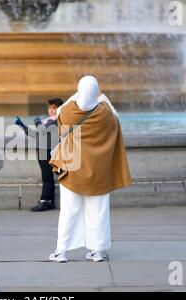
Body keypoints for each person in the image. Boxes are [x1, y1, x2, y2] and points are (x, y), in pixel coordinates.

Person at [48, 76, 132, 262]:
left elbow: (60, 110)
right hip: (99, 172)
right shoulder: (105, 114)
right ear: (96, 93)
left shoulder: (68, 112)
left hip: (72, 171)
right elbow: (116, 116)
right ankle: (98, 251)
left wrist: (77, 95)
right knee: (99, 211)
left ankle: (61, 251)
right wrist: (102, 97)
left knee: (68, 212)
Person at [15, 98, 63, 212]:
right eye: (50, 107)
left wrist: (37, 122)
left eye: (54, 108)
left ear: (59, 109)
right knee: (47, 178)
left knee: (48, 178)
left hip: (50, 151)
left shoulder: (58, 120)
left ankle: (44, 201)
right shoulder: (47, 120)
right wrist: (23, 126)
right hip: (44, 151)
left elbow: (42, 131)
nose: (51, 110)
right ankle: (49, 202)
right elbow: (36, 135)